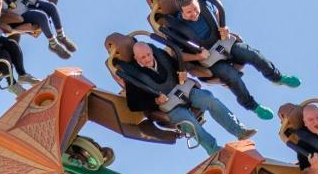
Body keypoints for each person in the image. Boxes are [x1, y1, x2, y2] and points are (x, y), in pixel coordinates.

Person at [147, 0, 297, 120]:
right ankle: (253, 106)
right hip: (208, 59)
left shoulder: (205, 7)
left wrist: (223, 27)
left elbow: (218, 10)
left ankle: (277, 77)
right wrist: (198, 56)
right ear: (181, 11)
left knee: (253, 55)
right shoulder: (174, 28)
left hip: (224, 43)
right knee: (231, 76)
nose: (194, 14)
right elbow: (177, 55)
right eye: (189, 12)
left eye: (195, 9)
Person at [104, 32, 252, 149]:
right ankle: (214, 149)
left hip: (182, 90)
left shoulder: (160, 55)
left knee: (209, 99)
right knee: (189, 121)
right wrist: (154, 101)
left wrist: (181, 72)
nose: (147, 59)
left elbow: (176, 64)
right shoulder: (132, 76)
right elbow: (133, 104)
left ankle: (239, 130)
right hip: (167, 105)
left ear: (151, 51)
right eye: (142, 57)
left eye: (148, 54)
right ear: (136, 59)